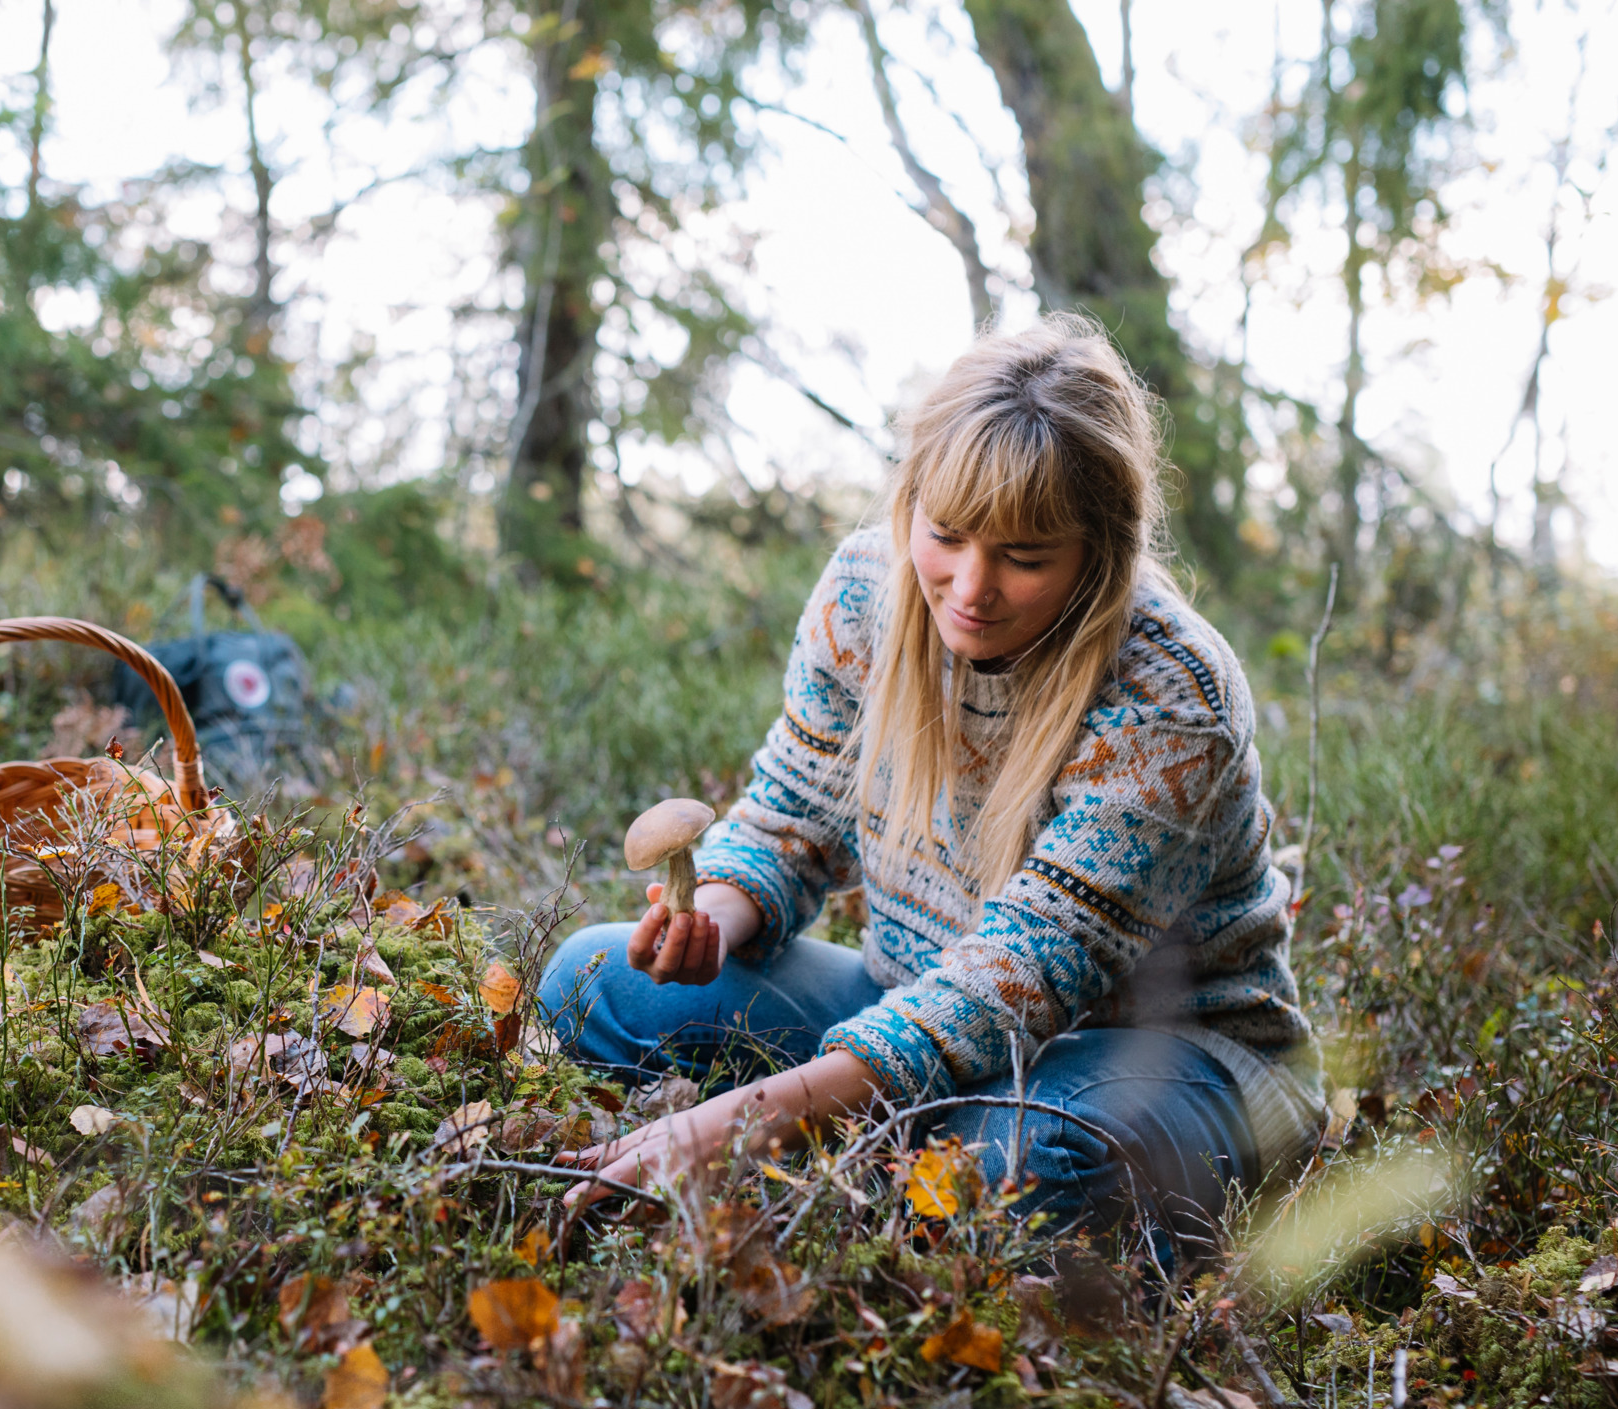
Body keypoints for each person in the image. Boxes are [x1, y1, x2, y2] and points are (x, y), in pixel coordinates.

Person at [535, 317, 1319, 1252]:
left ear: (1100, 552)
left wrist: (740, 1118)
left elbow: (1026, 971)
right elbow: (789, 816)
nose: (971, 588)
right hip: (911, 1004)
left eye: (1025, 558)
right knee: (590, 979)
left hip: (1166, 1056)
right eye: (945, 534)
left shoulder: (1173, 695)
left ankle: (876, 1162)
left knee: (1027, 1162)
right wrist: (717, 914)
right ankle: (884, 1163)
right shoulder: (865, 593)